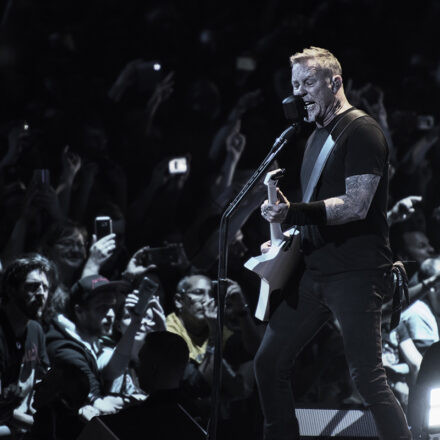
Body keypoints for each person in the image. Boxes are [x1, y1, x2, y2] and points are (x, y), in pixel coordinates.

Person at [254, 47, 412, 440]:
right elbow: (316, 208)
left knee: (368, 379)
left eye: (308, 83)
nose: (299, 93)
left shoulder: (362, 131)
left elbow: (356, 205)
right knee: (269, 363)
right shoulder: (314, 138)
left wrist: (293, 213)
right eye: (295, 85)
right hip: (314, 271)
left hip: (356, 273)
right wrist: (285, 222)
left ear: (334, 82)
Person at [0, 254, 56, 437]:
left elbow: (42, 378)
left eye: (45, 288)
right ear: (10, 289)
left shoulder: (35, 330)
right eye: (32, 286)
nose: (41, 293)